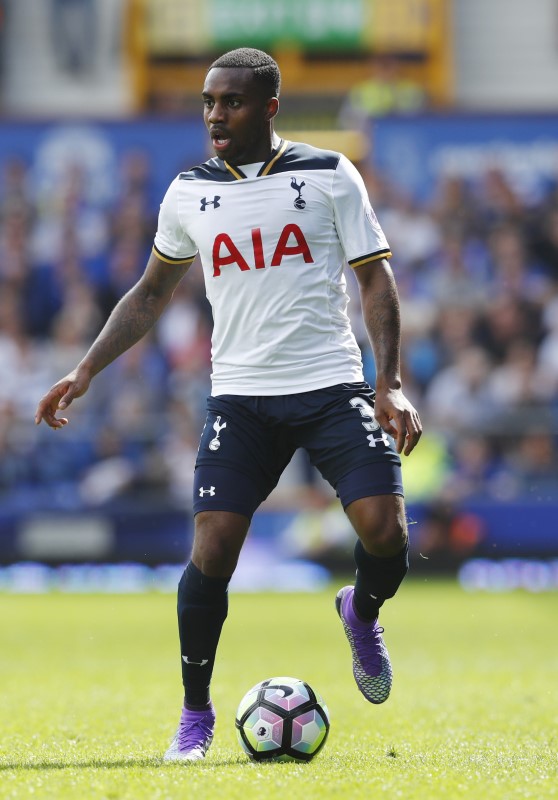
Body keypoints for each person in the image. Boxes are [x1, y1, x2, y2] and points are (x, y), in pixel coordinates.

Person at [35, 47, 422, 762]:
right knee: (212, 548)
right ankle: (195, 715)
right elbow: (151, 291)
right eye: (209, 102)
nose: (216, 114)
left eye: (232, 103)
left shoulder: (330, 175)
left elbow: (376, 280)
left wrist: (389, 380)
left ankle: (361, 612)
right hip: (240, 396)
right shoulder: (188, 191)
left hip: (330, 384)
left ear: (269, 108)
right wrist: (85, 369)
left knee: (384, 533)